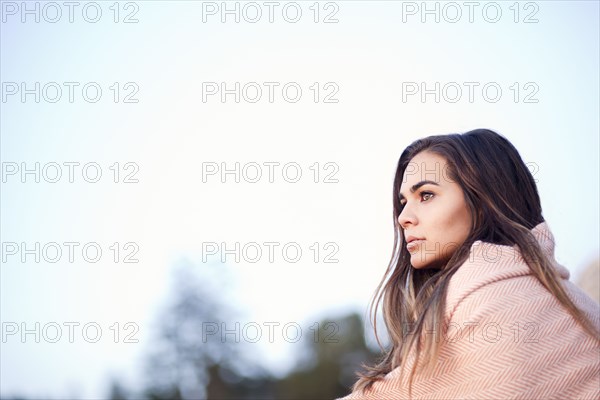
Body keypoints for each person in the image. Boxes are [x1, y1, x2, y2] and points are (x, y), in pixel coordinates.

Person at [336, 129, 600, 400]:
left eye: (426, 195)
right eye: (403, 202)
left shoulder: (482, 298)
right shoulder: (580, 304)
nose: (404, 217)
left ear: (483, 201)